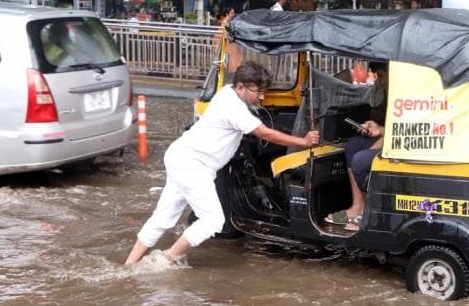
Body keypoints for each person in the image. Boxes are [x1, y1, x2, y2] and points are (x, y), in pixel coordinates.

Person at [124, 61, 321, 266]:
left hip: (181, 156)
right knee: (213, 221)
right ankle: (168, 259)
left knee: (163, 217)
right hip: (193, 163)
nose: (262, 97)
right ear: (240, 88)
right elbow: (263, 133)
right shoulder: (233, 107)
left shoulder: (227, 91)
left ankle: (129, 265)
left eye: (264, 91)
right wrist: (304, 142)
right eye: (258, 92)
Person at [324, 62, 388, 231]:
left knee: (360, 160)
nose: (379, 82)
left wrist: (379, 138)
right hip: (388, 137)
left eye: (381, 76)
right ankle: (357, 206)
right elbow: (384, 120)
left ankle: (369, 214)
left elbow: (401, 130)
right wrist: (376, 127)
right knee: (353, 145)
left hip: (403, 145)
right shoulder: (388, 91)